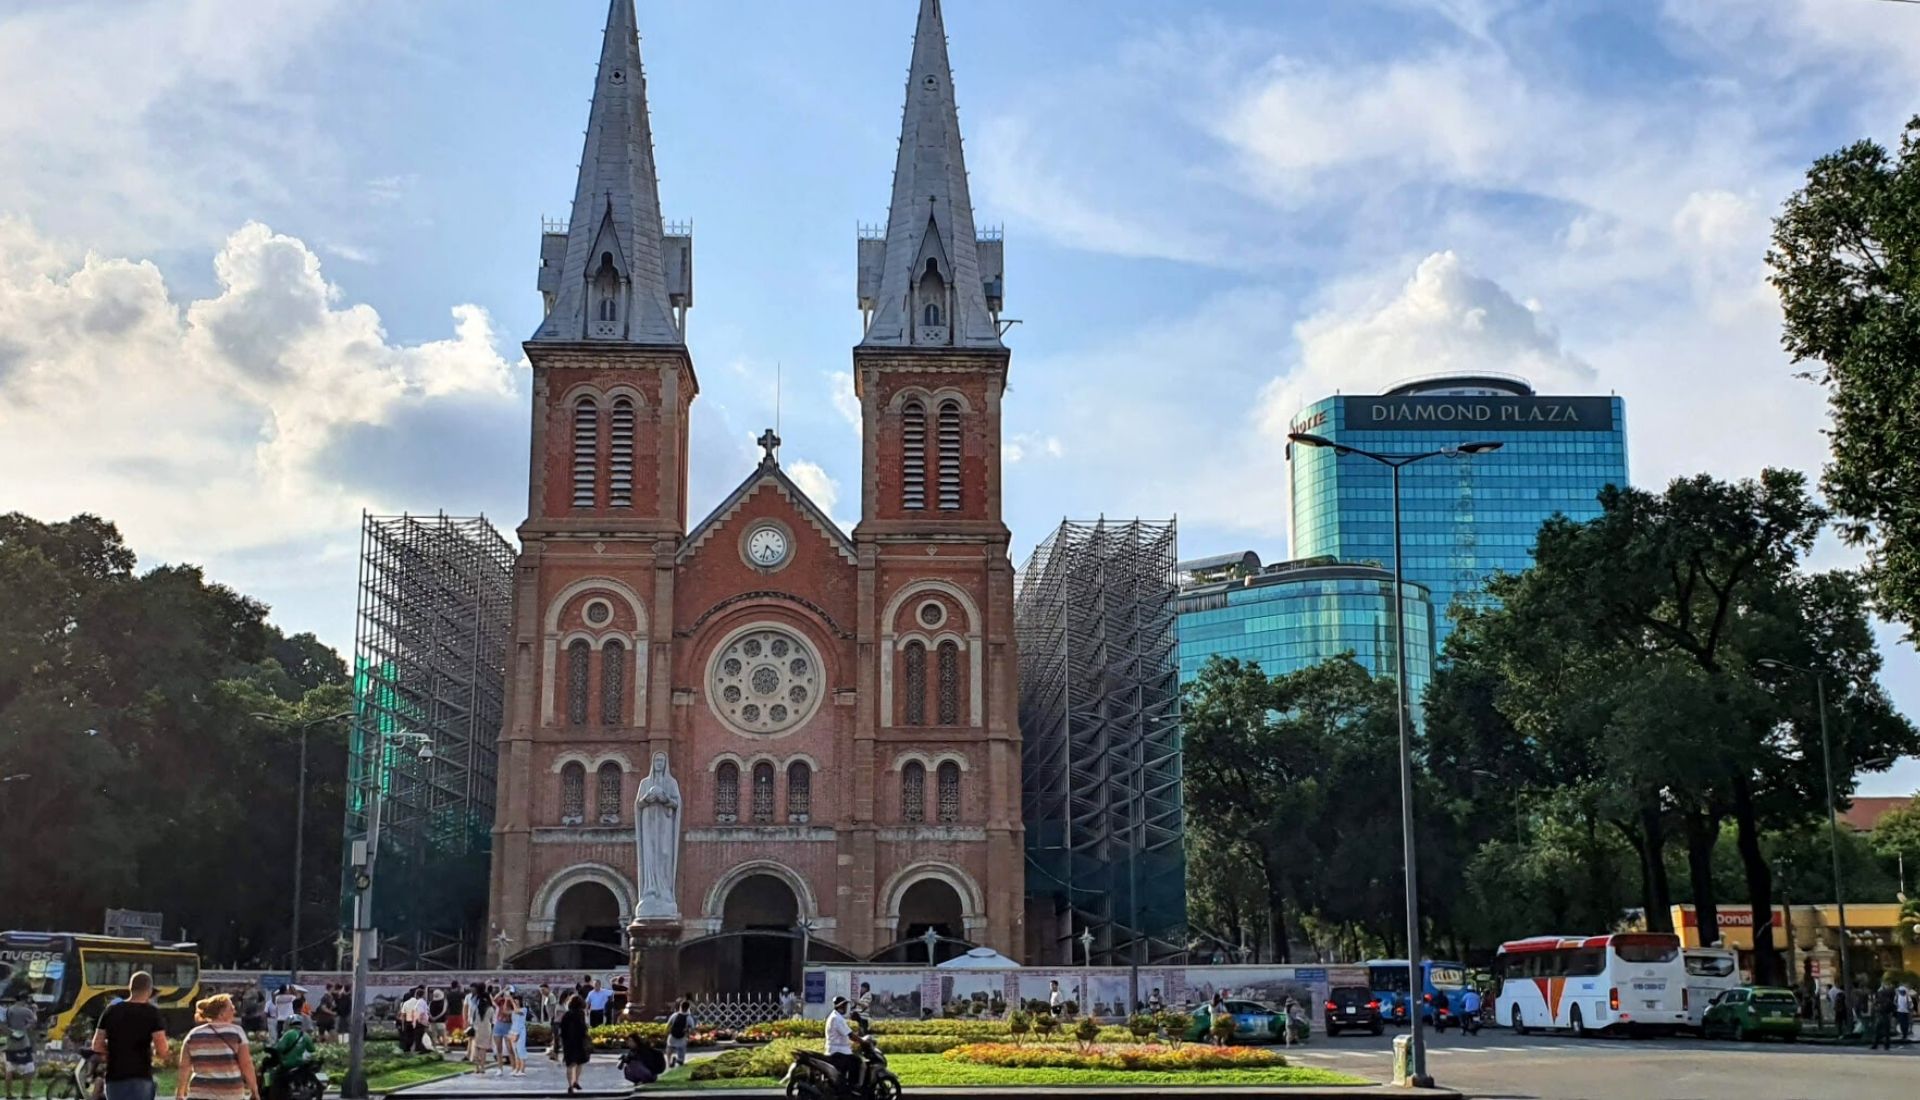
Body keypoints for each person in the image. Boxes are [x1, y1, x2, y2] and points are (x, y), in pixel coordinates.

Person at [92, 971, 169, 1100]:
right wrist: (159, 1053)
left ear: (130, 988)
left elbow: (96, 1045)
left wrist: (112, 1051)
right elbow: (162, 1048)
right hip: (141, 1076)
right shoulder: (152, 1013)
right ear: (149, 991)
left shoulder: (111, 1011)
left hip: (115, 1077)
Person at [177, 995, 259, 1100]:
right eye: (231, 1009)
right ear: (221, 1014)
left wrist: (180, 1093)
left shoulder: (193, 1034)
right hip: (231, 1094)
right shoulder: (237, 1033)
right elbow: (246, 1064)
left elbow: (184, 1066)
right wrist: (254, 1090)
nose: (234, 1012)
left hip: (200, 1093)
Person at [3, 992, 37, 1100]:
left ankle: (9, 1094)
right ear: (24, 1000)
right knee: (29, 1069)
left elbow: (4, 1024)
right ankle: (25, 1093)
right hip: (23, 1043)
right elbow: (34, 1022)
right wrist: (35, 1011)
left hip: (10, 1043)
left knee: (9, 1069)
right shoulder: (26, 1011)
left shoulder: (9, 1010)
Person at [825, 996, 860, 1090]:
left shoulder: (835, 1016)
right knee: (857, 1062)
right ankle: (852, 1088)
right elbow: (850, 1035)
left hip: (838, 1050)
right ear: (841, 1006)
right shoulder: (837, 1019)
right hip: (838, 1051)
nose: (846, 1008)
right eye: (845, 1005)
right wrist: (863, 1042)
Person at [557, 996, 590, 1096]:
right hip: (579, 1042)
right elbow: (584, 1028)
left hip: (568, 1042)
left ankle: (570, 1085)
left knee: (570, 1064)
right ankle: (576, 1081)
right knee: (579, 1062)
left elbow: (562, 1029)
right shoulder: (581, 1014)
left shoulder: (566, 1015)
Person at [465, 983, 492, 1076]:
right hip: (486, 1028)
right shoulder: (489, 1006)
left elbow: (472, 1017)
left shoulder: (475, 1004)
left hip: (477, 1027)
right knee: (483, 1049)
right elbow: (492, 1017)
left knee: (476, 1047)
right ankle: (483, 1067)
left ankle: (476, 1067)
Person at [664, 999, 693, 1068]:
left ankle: (669, 1062)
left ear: (680, 1006)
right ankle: (678, 1060)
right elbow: (691, 1027)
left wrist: (665, 1032)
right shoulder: (689, 1017)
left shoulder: (674, 1015)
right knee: (681, 1052)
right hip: (682, 1037)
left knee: (669, 1048)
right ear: (688, 1008)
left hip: (672, 1036)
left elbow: (668, 1025)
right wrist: (688, 1034)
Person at [1870, 978, 1896, 1050]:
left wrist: (1874, 1014)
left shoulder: (1878, 1000)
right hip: (1886, 1017)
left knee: (1877, 1032)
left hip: (1879, 1017)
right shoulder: (1889, 1001)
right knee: (1886, 1033)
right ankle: (1886, 1045)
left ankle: (1875, 1045)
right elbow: (1893, 1009)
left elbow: (1873, 1007)